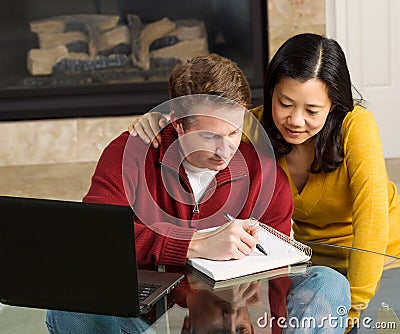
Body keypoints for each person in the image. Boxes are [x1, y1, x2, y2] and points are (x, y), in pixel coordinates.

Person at [46, 53, 350, 334]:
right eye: (208, 136)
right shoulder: (129, 154)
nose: (225, 150)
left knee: (329, 283)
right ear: (177, 124)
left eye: (233, 132)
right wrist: (191, 245)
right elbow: (94, 240)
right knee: (69, 308)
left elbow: (278, 282)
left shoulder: (264, 175)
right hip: (146, 312)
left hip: (233, 300)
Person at [128, 33, 400, 330]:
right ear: (270, 93)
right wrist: (156, 121)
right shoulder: (252, 130)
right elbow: (204, 122)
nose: (295, 121)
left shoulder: (356, 126)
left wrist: (352, 314)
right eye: (285, 103)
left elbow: (371, 223)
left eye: (312, 111)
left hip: (383, 263)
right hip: (313, 263)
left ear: (334, 105)